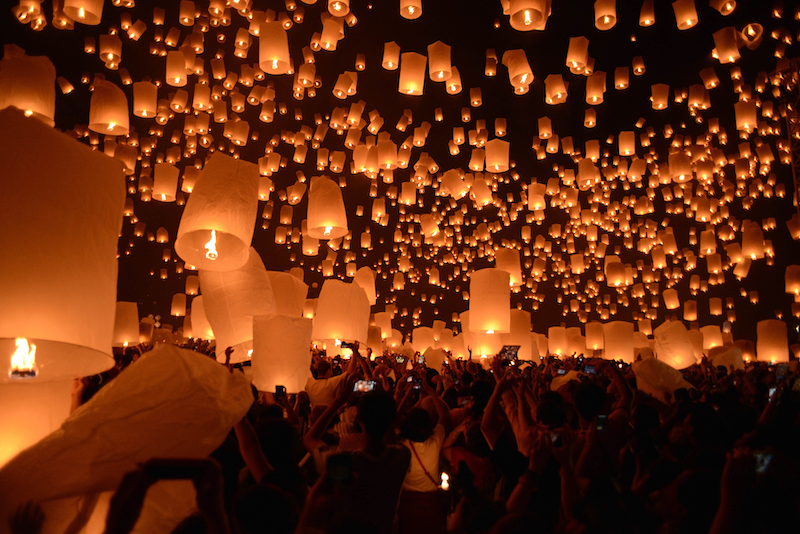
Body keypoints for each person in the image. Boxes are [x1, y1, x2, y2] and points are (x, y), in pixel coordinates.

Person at [302, 376, 410, 534]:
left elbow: (310, 439)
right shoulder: (401, 456)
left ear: (358, 418)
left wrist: (337, 403)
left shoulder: (345, 462)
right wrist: (383, 400)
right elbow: (389, 437)